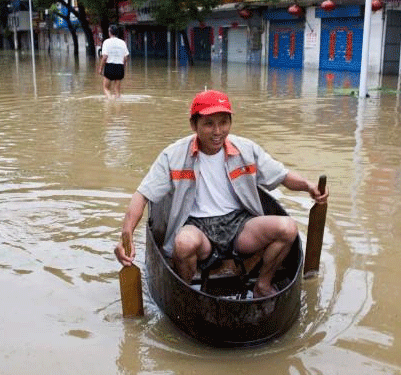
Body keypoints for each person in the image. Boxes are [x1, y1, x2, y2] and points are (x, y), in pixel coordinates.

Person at [115, 90, 328, 298]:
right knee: (183, 244)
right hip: (196, 226)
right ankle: (185, 294)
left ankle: (263, 284)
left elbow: (281, 175)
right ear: (194, 125)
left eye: (223, 123)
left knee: (288, 228)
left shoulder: (245, 149)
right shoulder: (173, 155)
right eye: (209, 124)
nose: (217, 131)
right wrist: (127, 236)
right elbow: (142, 196)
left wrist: (309, 186)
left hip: (239, 224)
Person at [98, 25, 130, 99]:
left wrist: (100, 68)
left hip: (110, 66)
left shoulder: (106, 42)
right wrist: (123, 68)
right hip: (120, 67)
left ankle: (110, 102)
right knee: (117, 91)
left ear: (110, 32)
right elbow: (125, 58)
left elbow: (104, 57)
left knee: (106, 88)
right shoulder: (122, 42)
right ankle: (117, 106)